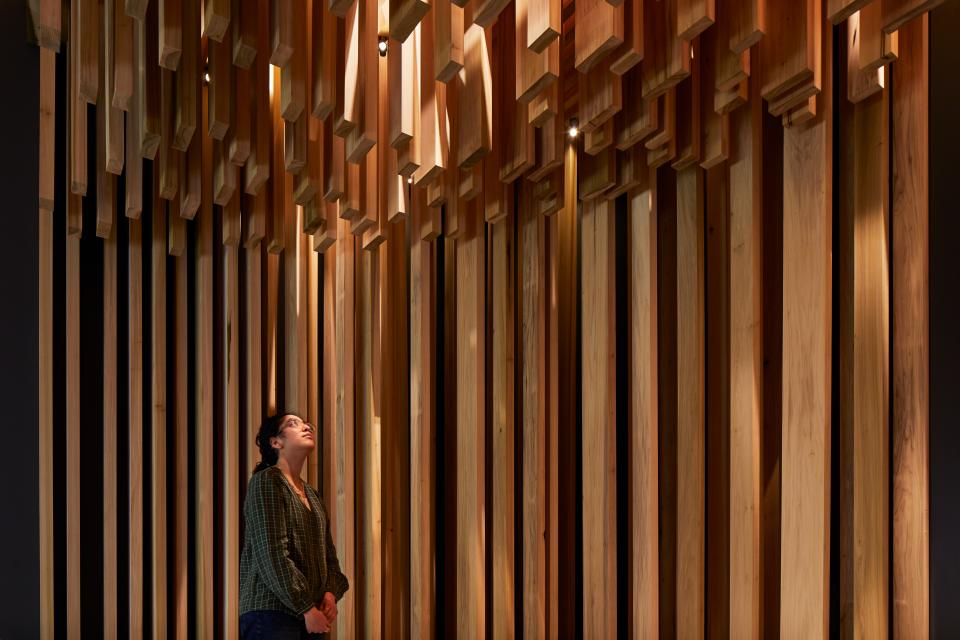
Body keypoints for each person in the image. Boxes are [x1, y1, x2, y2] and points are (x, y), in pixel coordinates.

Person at [239, 413, 349, 638]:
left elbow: (329, 559)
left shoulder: (313, 496)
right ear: (275, 442)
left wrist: (330, 594)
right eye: (293, 423)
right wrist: (306, 607)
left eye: (307, 424)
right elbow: (271, 553)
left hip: (311, 614)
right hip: (272, 614)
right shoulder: (267, 481)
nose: (306, 427)